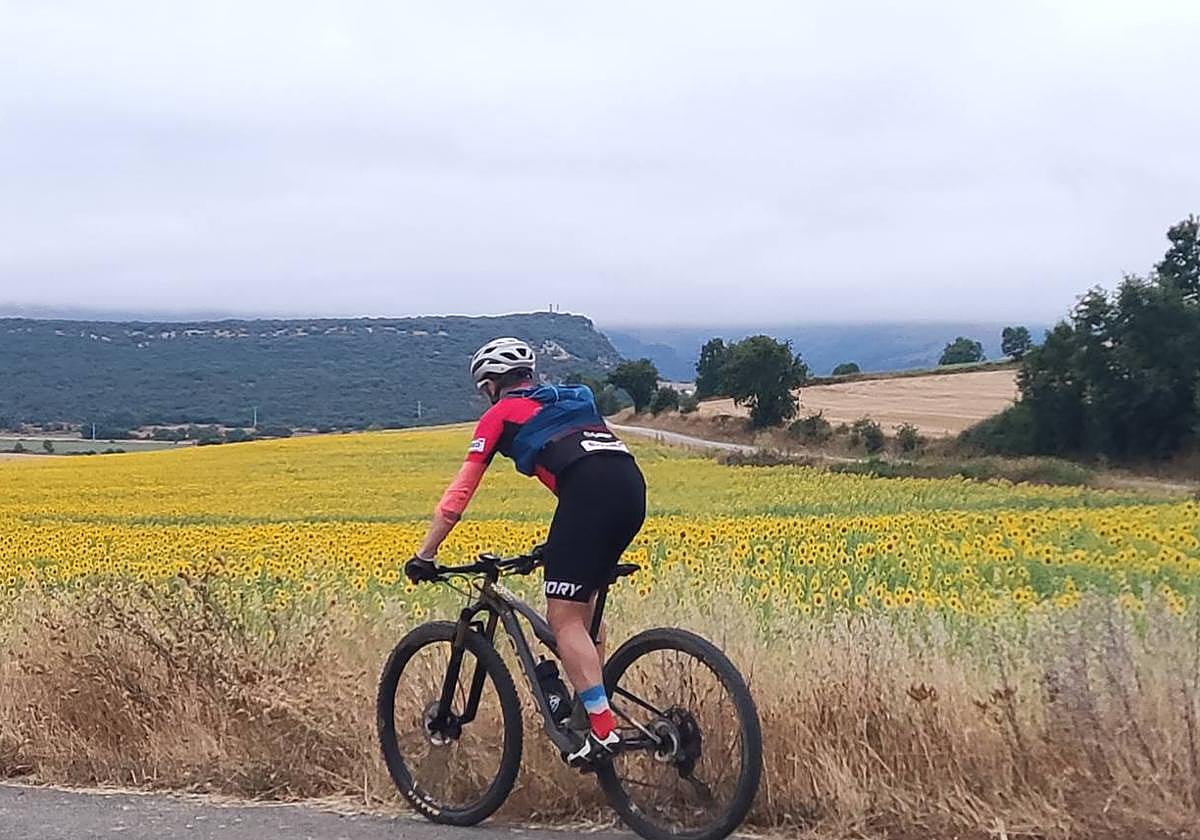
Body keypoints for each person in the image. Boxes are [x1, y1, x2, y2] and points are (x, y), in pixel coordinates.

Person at [405, 337, 646, 765]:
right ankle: (589, 710)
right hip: (631, 490)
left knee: (563, 619)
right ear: (529, 375)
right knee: (583, 611)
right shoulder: (577, 396)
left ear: (489, 386)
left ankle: (602, 730)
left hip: (587, 498)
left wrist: (425, 554)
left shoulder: (499, 415)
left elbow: (459, 494)